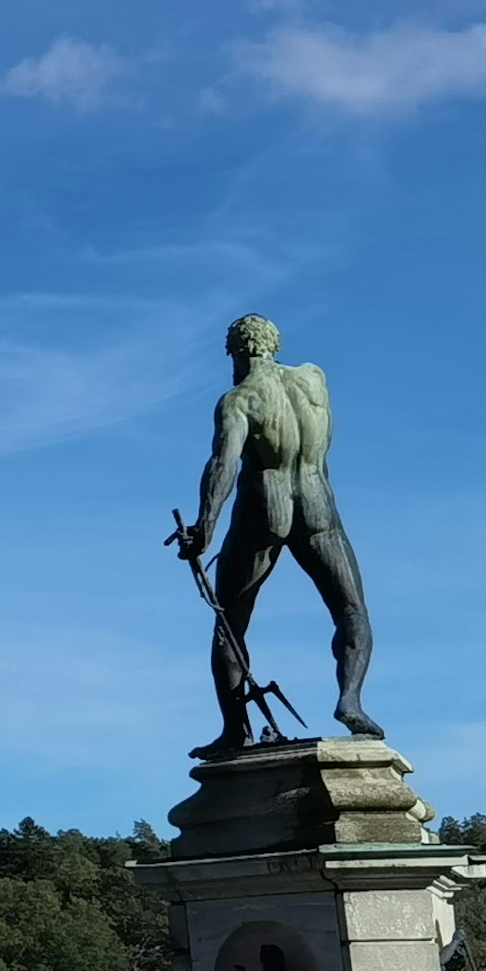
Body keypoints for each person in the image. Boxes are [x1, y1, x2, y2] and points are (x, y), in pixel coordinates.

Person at [168, 312, 382, 757]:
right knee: (351, 609)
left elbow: (223, 466)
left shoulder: (239, 400)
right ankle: (351, 700)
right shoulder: (314, 381)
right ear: (272, 346)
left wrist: (204, 527)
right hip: (318, 505)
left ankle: (235, 731)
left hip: (265, 506)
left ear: (237, 353)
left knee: (230, 623)